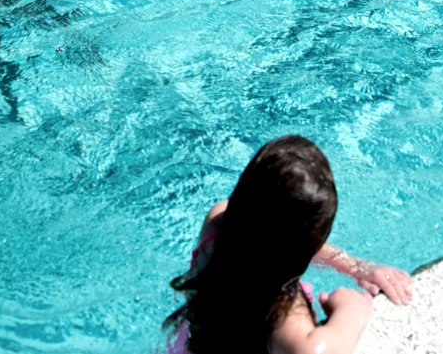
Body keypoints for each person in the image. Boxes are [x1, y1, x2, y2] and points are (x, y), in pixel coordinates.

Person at [165, 135, 413, 354]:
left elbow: (264, 235)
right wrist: (353, 311)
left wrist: (356, 266)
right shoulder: (282, 313)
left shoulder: (217, 224)